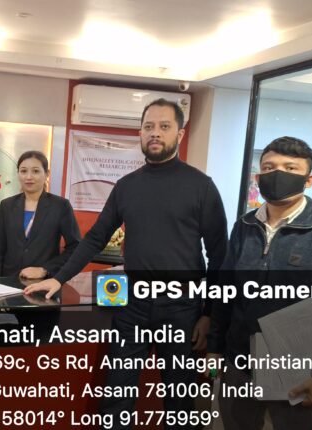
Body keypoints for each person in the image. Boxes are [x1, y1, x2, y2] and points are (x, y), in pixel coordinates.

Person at [25, 98, 229, 430]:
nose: (155, 133)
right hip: (133, 303)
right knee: (117, 395)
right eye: (149, 127)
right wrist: (58, 278)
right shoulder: (126, 186)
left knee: (180, 400)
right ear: (140, 133)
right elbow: (95, 238)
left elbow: (220, 255)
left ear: (180, 133)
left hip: (182, 308)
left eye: (164, 126)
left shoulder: (201, 186)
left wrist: (209, 315)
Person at [206, 136, 312, 430]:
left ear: (308, 180)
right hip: (239, 363)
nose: (278, 174)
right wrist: (215, 349)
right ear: (258, 177)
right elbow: (225, 292)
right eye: (269, 167)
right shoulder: (244, 226)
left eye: (290, 168)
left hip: (296, 369)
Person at [0, 150, 80, 278]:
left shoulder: (60, 206)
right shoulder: (7, 205)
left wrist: (45, 269)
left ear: (47, 174)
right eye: (23, 171)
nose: (29, 177)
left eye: (36, 171)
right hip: (8, 280)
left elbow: (75, 247)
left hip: (44, 282)